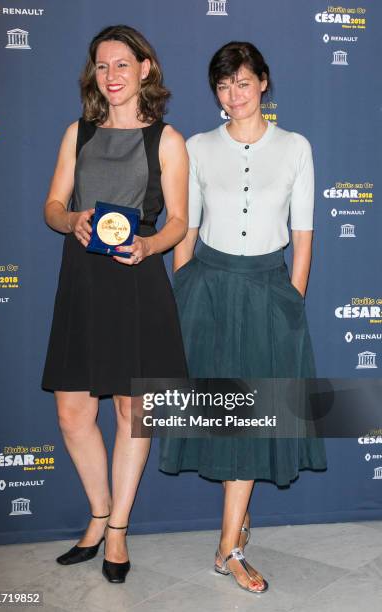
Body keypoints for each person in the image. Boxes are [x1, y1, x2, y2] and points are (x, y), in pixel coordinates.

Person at [159, 41, 327, 594]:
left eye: (244, 82)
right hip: (207, 290)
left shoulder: (296, 147)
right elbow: (185, 227)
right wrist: (184, 289)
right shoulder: (198, 147)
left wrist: (290, 300)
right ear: (217, 93)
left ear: (264, 83)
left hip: (268, 292)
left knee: (254, 418)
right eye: (224, 86)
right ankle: (233, 536)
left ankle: (228, 544)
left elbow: (302, 238)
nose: (235, 94)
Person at [42, 24, 188, 584]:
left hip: (135, 280)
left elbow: (178, 220)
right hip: (82, 280)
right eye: (102, 66)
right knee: (73, 411)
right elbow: (53, 205)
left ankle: (119, 530)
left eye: (122, 64)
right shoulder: (76, 133)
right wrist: (71, 219)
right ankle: (98, 516)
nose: (112, 76)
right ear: (93, 75)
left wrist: (150, 244)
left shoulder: (167, 140)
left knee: (133, 411)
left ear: (145, 69)